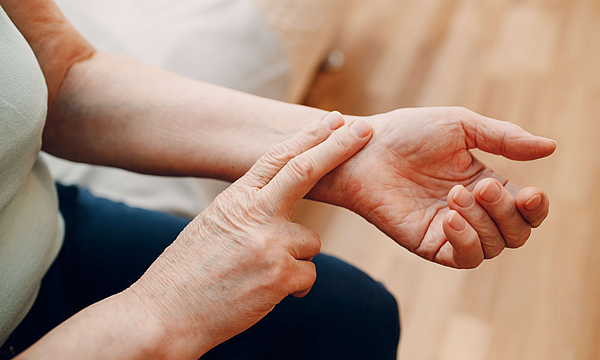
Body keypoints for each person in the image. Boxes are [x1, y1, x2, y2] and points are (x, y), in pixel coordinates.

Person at [0, 0, 556, 359]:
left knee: (355, 319)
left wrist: (352, 151)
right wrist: (159, 314)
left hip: (35, 226)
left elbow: (64, 77)